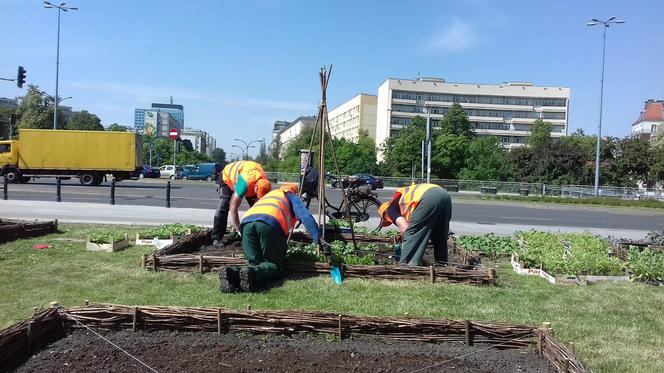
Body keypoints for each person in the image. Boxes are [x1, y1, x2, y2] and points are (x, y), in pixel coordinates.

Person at [219, 183, 326, 292]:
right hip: (268, 224)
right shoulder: (290, 195)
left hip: (246, 224)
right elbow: (305, 216)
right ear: (295, 192)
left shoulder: (270, 196)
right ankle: (251, 274)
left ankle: (232, 272)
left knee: (255, 263)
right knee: (274, 265)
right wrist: (318, 239)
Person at [378, 183, 452, 266]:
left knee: (412, 233)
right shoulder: (403, 200)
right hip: (444, 195)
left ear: (385, 214)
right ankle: (442, 265)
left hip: (428, 197)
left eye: (388, 220)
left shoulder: (391, 210)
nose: (392, 222)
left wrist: (407, 238)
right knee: (439, 236)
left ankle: (407, 267)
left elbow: (406, 228)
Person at [212, 160, 272, 247]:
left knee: (257, 209)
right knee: (224, 204)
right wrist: (239, 230)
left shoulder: (264, 181)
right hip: (227, 177)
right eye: (257, 195)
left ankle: (256, 234)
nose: (257, 198)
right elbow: (233, 208)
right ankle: (216, 238)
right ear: (255, 187)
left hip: (247, 179)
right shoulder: (245, 183)